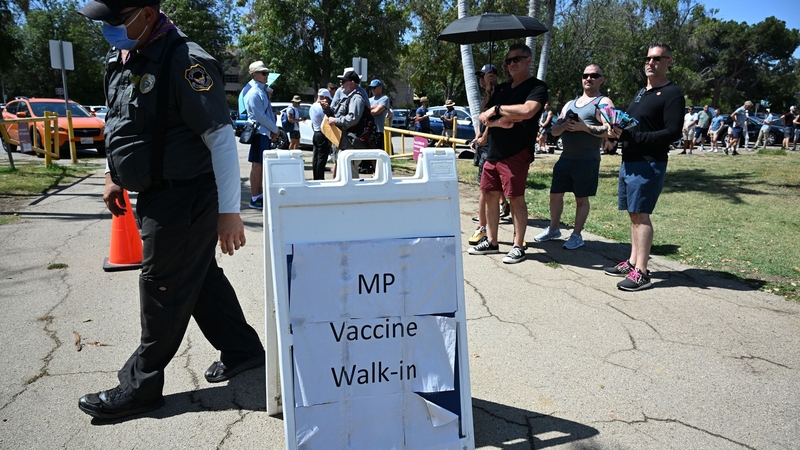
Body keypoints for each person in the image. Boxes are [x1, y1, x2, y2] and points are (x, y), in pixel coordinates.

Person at [76, 0, 265, 420]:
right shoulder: (125, 56)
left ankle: (140, 387)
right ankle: (244, 350)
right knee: (197, 277)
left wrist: (229, 212)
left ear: (147, 11)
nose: (109, 29)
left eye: (116, 20)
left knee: (162, 287)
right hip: (155, 194)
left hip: (187, 196)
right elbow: (119, 121)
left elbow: (219, 138)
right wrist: (113, 173)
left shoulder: (184, 60)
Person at [606, 42, 684, 291]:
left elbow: (672, 132)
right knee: (633, 214)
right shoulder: (642, 92)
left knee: (641, 215)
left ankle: (642, 272)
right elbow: (632, 125)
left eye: (658, 59)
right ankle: (632, 262)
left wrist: (632, 137)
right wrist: (616, 134)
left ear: (669, 62)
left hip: (649, 163)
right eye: (648, 58)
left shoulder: (673, 93)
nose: (651, 62)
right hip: (629, 161)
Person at [468, 43, 548, 264]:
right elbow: (484, 116)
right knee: (490, 197)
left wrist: (499, 111)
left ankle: (518, 245)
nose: (512, 64)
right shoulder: (502, 89)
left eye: (517, 59)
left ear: (528, 60)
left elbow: (527, 111)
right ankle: (492, 242)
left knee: (515, 199)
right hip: (493, 152)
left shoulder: (536, 87)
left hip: (516, 152)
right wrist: (496, 109)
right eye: (508, 61)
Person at [536, 63, 614, 250]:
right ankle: (554, 229)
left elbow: (611, 130)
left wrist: (585, 128)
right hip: (566, 159)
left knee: (581, 199)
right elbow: (554, 131)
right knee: (555, 195)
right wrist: (562, 126)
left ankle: (577, 235)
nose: (589, 78)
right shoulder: (570, 104)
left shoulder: (604, 103)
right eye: (585, 75)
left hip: (587, 160)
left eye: (594, 76)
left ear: (601, 79)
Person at [468, 63, 499, 247]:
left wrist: (484, 135)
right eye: (480, 76)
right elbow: (482, 114)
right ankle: (482, 226)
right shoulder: (488, 94)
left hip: (494, 147)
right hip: (484, 147)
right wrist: (478, 135)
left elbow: (493, 117)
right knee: (484, 189)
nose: (481, 79)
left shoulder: (500, 91)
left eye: (485, 75)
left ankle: (484, 227)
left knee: (490, 190)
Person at [244, 60, 279, 209]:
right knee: (257, 166)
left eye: (267, 73)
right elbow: (260, 117)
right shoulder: (254, 93)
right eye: (263, 73)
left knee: (261, 165)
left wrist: (273, 130)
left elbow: (268, 113)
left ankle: (258, 196)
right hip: (259, 132)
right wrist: (275, 129)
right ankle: (255, 197)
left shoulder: (262, 91)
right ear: (254, 75)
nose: (266, 75)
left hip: (264, 133)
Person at [310, 88, 333, 180]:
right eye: (327, 98)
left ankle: (316, 176)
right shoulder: (321, 107)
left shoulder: (312, 106)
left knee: (315, 157)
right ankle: (320, 177)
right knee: (322, 158)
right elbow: (328, 119)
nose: (327, 101)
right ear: (323, 97)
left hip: (316, 132)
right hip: (322, 133)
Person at [369, 79, 390, 149]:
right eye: (371, 88)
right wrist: (373, 107)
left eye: (374, 87)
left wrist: (369, 109)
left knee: (378, 154)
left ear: (380, 88)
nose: (372, 89)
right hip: (369, 130)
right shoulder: (369, 100)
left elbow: (376, 112)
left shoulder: (384, 98)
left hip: (379, 131)